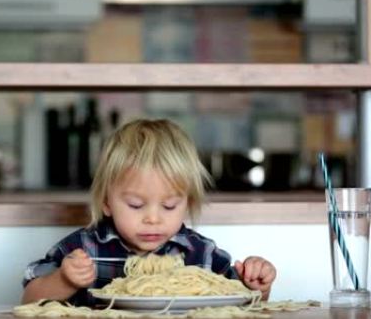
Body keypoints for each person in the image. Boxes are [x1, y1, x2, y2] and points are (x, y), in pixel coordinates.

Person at [21, 119, 276, 306]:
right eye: (135, 205)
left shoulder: (201, 254)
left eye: (169, 206)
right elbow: (29, 299)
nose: (153, 219)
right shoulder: (82, 249)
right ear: (107, 202)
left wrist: (258, 285)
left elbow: (243, 301)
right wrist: (64, 280)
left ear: (186, 203)